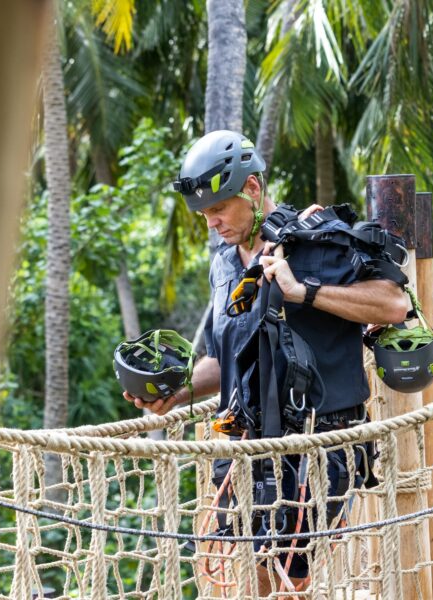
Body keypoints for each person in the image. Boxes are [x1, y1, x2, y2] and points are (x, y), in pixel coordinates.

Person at [124, 130, 408, 595]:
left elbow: (392, 304)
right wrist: (175, 395)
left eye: (219, 209)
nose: (211, 223)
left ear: (253, 190)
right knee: (257, 574)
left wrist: (304, 292)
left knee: (287, 579)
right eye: (204, 214)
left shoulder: (315, 241)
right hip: (244, 447)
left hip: (318, 446)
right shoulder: (223, 263)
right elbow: (225, 361)